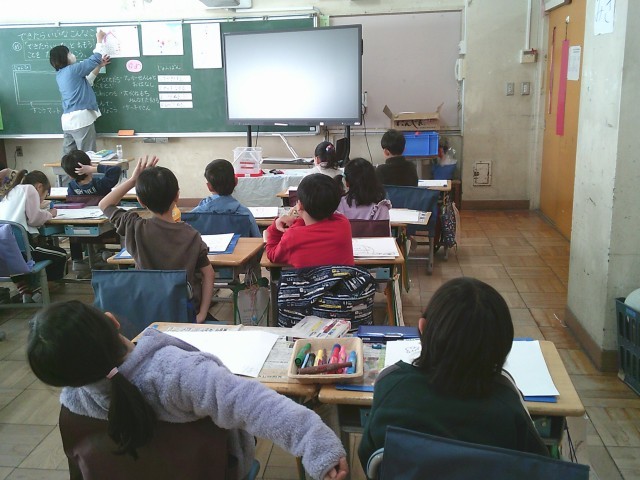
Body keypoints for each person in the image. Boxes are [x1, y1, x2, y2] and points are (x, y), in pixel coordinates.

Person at [27, 300, 349, 480]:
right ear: (112, 321)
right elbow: (253, 404)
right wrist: (317, 444)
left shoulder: (74, 401)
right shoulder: (178, 374)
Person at [358, 277, 549, 468]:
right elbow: (541, 465)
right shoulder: (508, 405)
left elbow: (368, 456)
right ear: (503, 345)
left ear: (422, 327)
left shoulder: (391, 384)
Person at [98, 157, 215, 324]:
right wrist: (202, 314)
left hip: (148, 312)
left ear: (140, 201)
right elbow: (208, 273)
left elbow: (104, 204)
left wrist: (133, 180)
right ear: (177, 196)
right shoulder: (191, 235)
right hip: (184, 313)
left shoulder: (135, 227)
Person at [265, 173, 353, 268]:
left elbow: (272, 255)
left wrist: (275, 227)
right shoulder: (343, 223)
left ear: (299, 205)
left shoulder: (292, 236)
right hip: (342, 277)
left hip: (309, 278)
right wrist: (298, 219)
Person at [49, 30, 111, 156]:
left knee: (69, 158)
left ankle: (66, 171)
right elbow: (96, 58)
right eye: (69, 53)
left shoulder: (60, 74)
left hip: (67, 122)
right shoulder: (73, 70)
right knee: (87, 156)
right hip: (81, 120)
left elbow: (88, 81)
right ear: (64, 57)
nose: (72, 55)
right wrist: (99, 39)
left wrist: (99, 66)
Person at [0, 170, 68, 282]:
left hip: (5, 250)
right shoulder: (30, 189)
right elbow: (34, 219)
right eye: (45, 195)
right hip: (21, 248)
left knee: (43, 250)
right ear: (39, 187)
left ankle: (25, 285)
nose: (42, 199)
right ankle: (48, 287)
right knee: (61, 254)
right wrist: (49, 213)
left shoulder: (10, 191)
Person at [190, 159, 260, 237]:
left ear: (209, 187)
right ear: (236, 181)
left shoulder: (193, 216)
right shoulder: (245, 213)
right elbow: (257, 240)